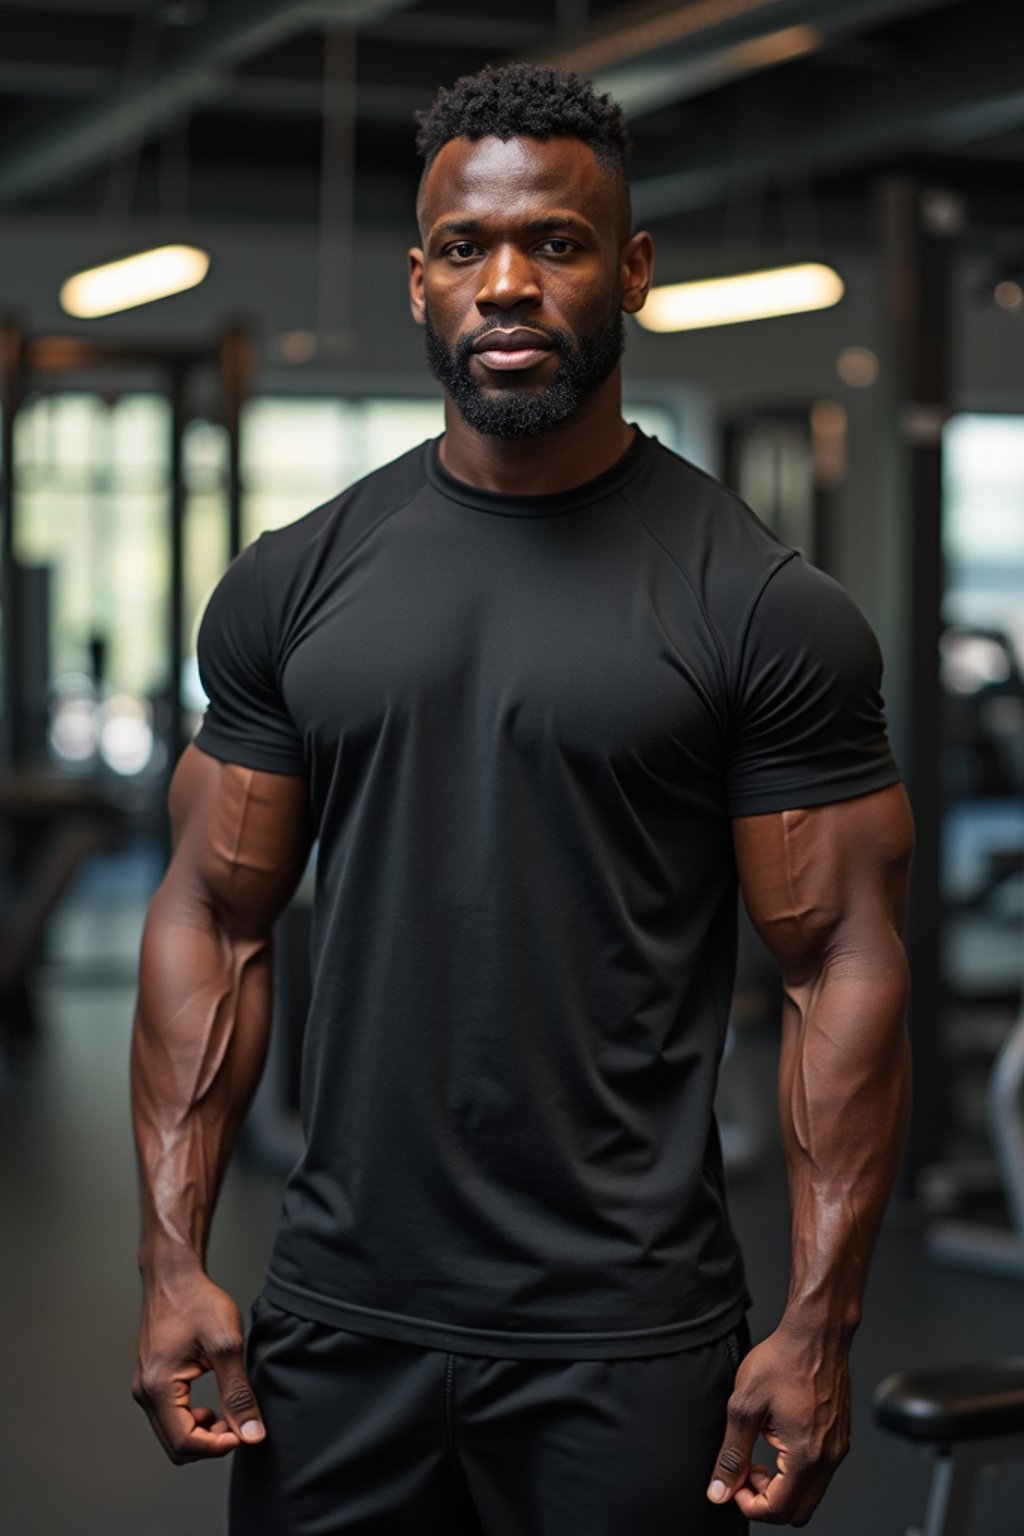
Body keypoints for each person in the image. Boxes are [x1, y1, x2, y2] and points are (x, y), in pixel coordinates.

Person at [130, 61, 913, 1534]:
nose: (505, 283)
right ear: (417, 279)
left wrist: (820, 1325)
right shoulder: (292, 583)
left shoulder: (761, 607)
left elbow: (841, 967)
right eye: (464, 248)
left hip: (629, 1337)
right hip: (336, 1321)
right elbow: (213, 919)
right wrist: (172, 1259)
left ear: (627, 271)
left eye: (553, 244)